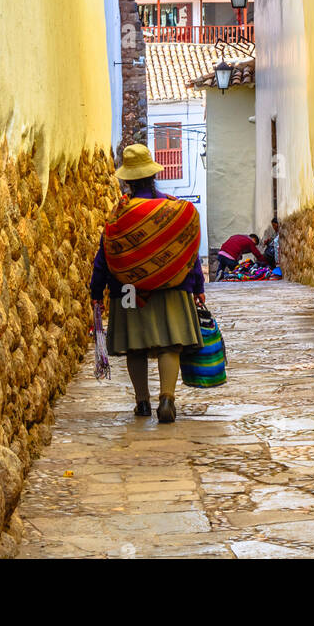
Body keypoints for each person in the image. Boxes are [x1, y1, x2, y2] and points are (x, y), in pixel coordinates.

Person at [90, 144, 205, 424]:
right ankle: (167, 399)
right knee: (169, 345)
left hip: (128, 292)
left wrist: (96, 291)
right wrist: (197, 285)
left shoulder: (120, 216)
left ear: (127, 180)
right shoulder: (173, 209)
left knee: (136, 347)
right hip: (171, 289)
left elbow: (105, 255)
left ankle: (142, 403)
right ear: (153, 174)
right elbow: (188, 250)